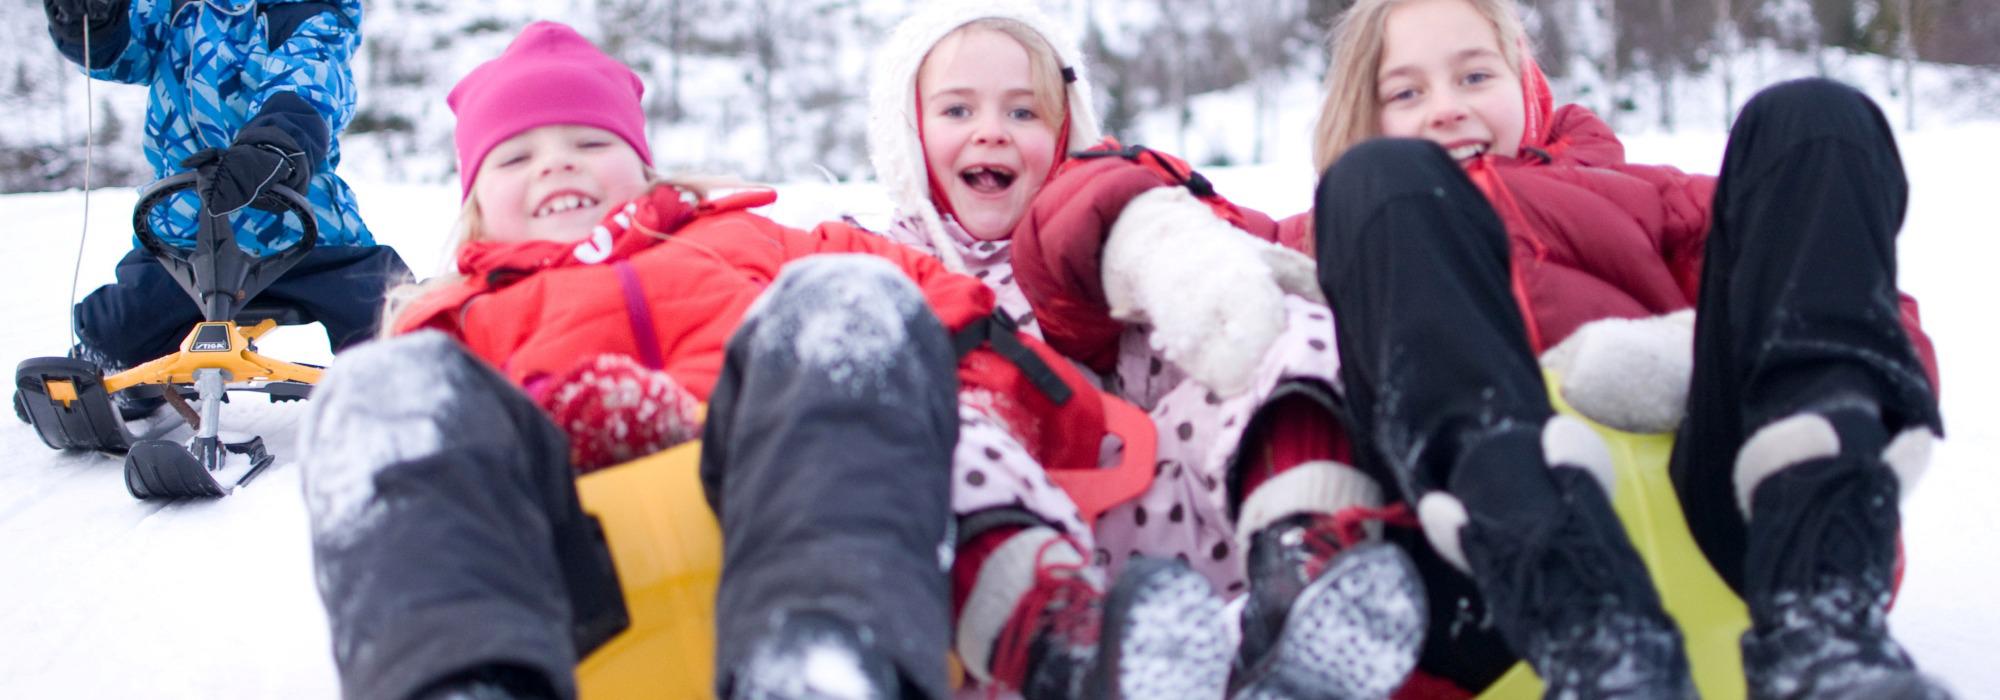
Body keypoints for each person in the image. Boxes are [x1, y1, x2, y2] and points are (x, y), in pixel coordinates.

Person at [298, 22, 1235, 700]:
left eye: (589, 143)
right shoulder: (461, 317)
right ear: (472, 203)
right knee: (383, 389)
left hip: (786, 513)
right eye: (517, 157)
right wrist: (556, 416)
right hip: (579, 596)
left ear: (645, 166)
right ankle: (460, 679)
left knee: (849, 302)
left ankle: (828, 657)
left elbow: (945, 309)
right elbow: (432, 478)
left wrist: (1022, 408)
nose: (557, 167)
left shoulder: (747, 241)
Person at [1308, 0, 1949, 697]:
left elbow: (1838, 284)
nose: (1446, 109)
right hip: (1487, 601)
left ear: (1525, 86)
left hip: (1735, 542)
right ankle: (1589, 631)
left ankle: (1822, 613)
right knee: (1380, 182)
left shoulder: (1648, 198)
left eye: (1474, 77)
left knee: (1814, 121)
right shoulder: (1345, 227)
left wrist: (1687, 352)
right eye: (1406, 92)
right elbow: (1205, 242)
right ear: (1361, 115)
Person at [862, 3, 1428, 696]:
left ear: (1068, 127)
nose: (992, 133)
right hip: (1008, 571)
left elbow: (1237, 282)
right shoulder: (874, 264)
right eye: (957, 111)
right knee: (911, 425)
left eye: (1023, 113)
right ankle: (1073, 651)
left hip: (1168, 530)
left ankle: (1302, 576)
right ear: (905, 132)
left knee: (1264, 319)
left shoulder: (1098, 227)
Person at [43, 0, 409, 417]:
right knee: (119, 324)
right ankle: (100, 376)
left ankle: (415, 373)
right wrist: (91, 20)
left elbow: (309, 81)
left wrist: (276, 144)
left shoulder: (307, 13)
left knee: (379, 302)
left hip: (298, 228)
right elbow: (122, 54)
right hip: (186, 234)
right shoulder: (173, 10)